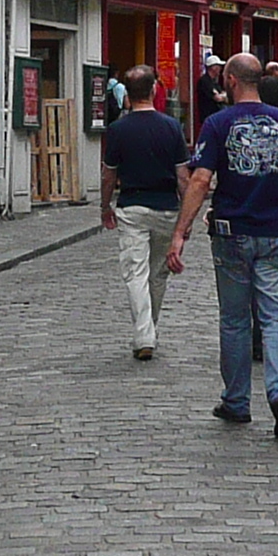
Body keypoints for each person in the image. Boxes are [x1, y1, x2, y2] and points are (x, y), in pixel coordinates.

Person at [165, 53, 278, 440]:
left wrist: (180, 232)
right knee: (277, 318)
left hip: (232, 233)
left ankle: (236, 401)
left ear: (231, 80)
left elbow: (200, 181)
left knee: (235, 320)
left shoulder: (217, 123)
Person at [99, 66, 187, 362]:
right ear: (153, 91)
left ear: (127, 96)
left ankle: (144, 333)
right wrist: (186, 215)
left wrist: (104, 206)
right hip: (166, 207)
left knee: (136, 273)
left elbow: (109, 175)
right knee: (158, 274)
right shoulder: (171, 127)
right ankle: (149, 329)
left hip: (132, 206)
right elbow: (183, 177)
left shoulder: (118, 130)